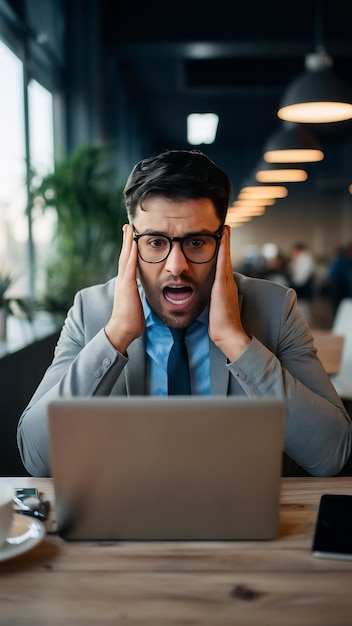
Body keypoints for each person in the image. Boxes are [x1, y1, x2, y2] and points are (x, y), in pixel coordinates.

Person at [17, 149, 351, 478]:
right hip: (123, 523)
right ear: (131, 243)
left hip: (240, 521)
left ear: (222, 242)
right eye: (156, 242)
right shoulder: (91, 311)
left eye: (196, 242)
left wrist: (236, 341)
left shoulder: (275, 308)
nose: (177, 267)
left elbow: (330, 454)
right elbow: (36, 456)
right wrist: (115, 335)